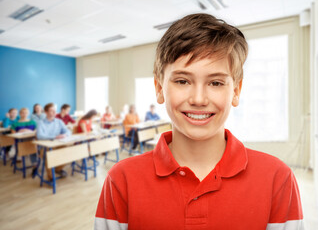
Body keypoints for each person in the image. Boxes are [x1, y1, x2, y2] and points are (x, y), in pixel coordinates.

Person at [95, 14, 304, 229]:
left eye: (215, 82)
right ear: (159, 88)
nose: (198, 99)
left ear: (236, 91)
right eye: (182, 81)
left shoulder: (277, 178)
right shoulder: (121, 180)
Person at [37, 103, 71, 179]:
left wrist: (65, 135)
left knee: (69, 150)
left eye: (55, 111)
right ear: (46, 112)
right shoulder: (41, 123)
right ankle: (50, 177)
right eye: (51, 111)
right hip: (45, 148)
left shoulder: (59, 121)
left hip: (58, 144)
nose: (54, 113)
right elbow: (40, 136)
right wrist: (55, 137)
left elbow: (67, 131)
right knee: (49, 154)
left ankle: (57, 169)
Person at [11, 108, 37, 175]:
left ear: (28, 113)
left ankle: (35, 166)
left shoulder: (32, 122)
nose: (24, 114)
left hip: (31, 141)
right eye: (22, 113)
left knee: (32, 148)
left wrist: (29, 131)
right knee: (30, 147)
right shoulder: (15, 124)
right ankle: (30, 164)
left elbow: (36, 131)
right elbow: (13, 135)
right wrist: (19, 131)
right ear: (20, 114)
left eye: (26, 112)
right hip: (20, 142)